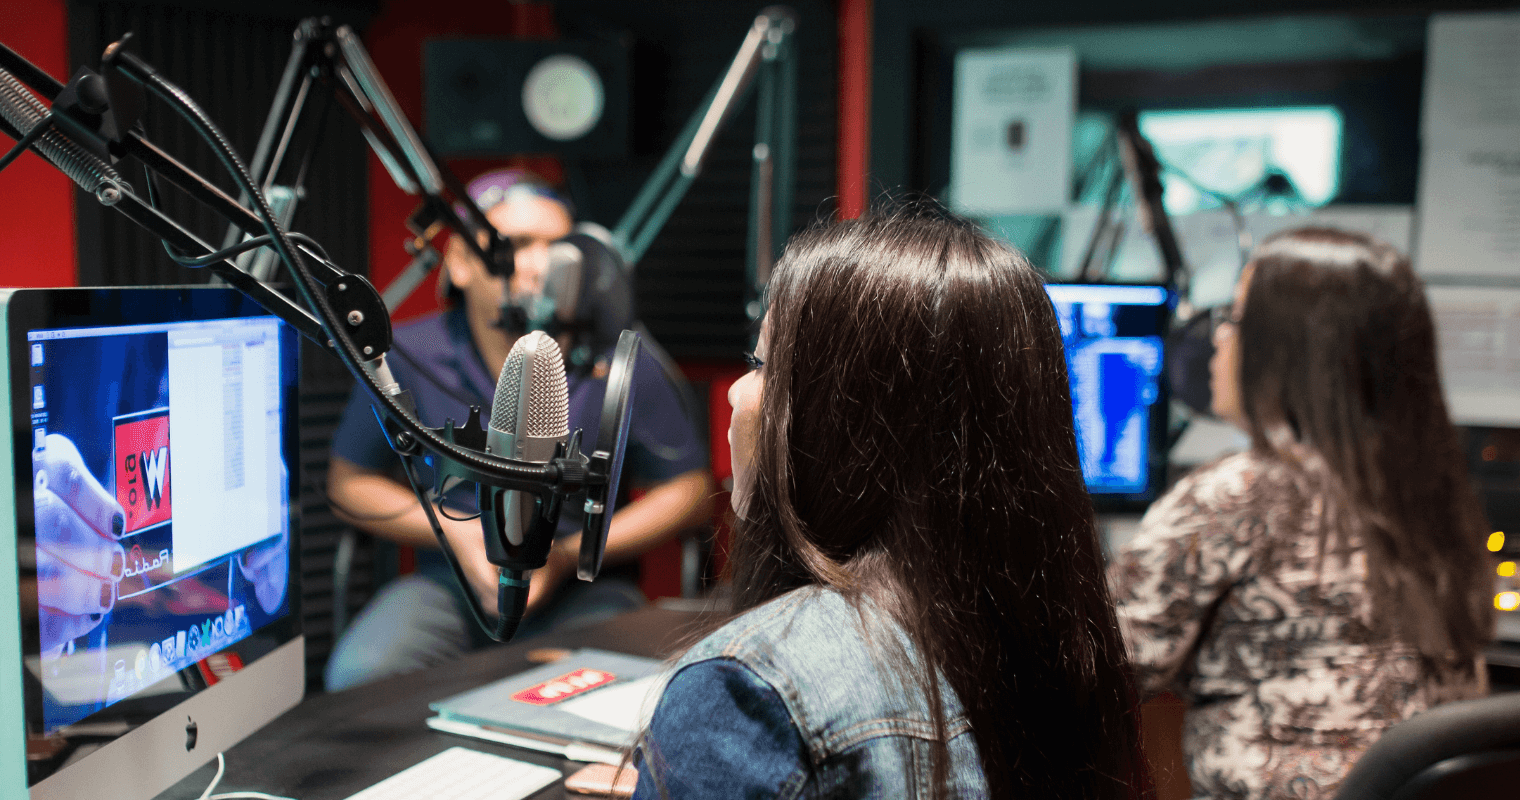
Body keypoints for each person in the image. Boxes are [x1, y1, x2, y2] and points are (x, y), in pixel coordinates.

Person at [633, 207, 1146, 799]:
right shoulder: (1061, 645)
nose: (739, 394)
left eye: (763, 364)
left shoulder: (749, 692)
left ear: (850, 426)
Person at [1108, 228, 1493, 800]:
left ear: (1288, 352)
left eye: (1235, 319)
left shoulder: (1240, 494)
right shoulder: (1424, 493)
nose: (1216, 339)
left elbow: (1091, 674)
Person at [324, 168, 713, 691]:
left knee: (625, 691)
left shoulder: (618, 357)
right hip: (454, 581)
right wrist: (459, 536)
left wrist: (563, 558)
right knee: (361, 676)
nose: (541, 263)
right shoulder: (409, 356)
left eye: (558, 246)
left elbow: (688, 491)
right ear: (459, 263)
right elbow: (347, 484)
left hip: (583, 586)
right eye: (519, 244)